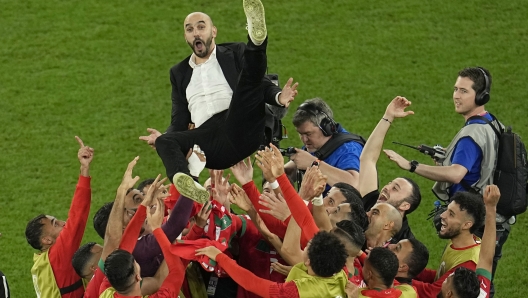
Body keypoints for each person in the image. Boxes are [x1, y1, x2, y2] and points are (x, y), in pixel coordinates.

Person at [139, 0, 298, 188]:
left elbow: (256, 83)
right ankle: (187, 183)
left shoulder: (235, 52)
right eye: (190, 30)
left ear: (213, 31)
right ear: (186, 37)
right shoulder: (179, 72)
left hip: (241, 124)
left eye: (201, 27)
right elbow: (180, 117)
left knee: (245, 84)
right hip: (210, 142)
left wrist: (278, 97)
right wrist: (164, 137)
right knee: (165, 141)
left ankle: (256, 41)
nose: (196, 32)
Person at [383, 68, 506, 296]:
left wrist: (411, 165)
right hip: (483, 215)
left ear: (480, 96)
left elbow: (457, 174)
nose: (456, 96)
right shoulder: (491, 123)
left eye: (464, 91)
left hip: (474, 216)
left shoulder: (472, 134)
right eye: (455, 89)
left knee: (470, 290)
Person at [25, 137, 92, 298]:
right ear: (47, 240)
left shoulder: (41, 262)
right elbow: (77, 216)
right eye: (55, 224)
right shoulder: (58, 256)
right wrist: (84, 171)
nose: (63, 223)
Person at [196, 231, 348, 298]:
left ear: (308, 261)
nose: (305, 245)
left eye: (307, 246)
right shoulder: (341, 274)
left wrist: (220, 257)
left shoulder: (296, 291)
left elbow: (252, 283)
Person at [99, 182, 186, 297]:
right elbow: (177, 271)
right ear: (138, 276)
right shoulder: (105, 292)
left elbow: (126, 246)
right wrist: (157, 229)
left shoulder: (106, 293)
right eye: (134, 262)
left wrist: (144, 205)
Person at [358, 96, 421, 244]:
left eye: (395, 188)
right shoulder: (371, 202)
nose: (386, 187)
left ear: (405, 206)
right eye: (390, 184)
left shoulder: (403, 242)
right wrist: (388, 117)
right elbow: (368, 159)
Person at [411, 191, 485, 298]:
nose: (442, 215)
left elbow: (432, 293)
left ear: (466, 225)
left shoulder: (469, 263)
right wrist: (408, 269)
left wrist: (392, 280)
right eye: (447, 209)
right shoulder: (458, 242)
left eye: (451, 214)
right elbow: (440, 277)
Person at [285, 98, 364, 191]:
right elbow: (289, 170)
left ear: (326, 127)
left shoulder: (349, 148)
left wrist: (313, 163)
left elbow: (354, 184)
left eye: (308, 134)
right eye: (300, 134)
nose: (304, 139)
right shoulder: (315, 145)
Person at [436, 185, 500, 298]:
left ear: (449, 294)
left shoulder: (470, 262)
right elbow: (486, 258)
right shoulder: (482, 292)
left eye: (446, 281)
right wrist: (490, 208)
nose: (444, 280)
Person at [353, 247, 417, 298]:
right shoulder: (409, 292)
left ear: (369, 275)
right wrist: (361, 254)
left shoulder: (357, 295)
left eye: (364, 266)